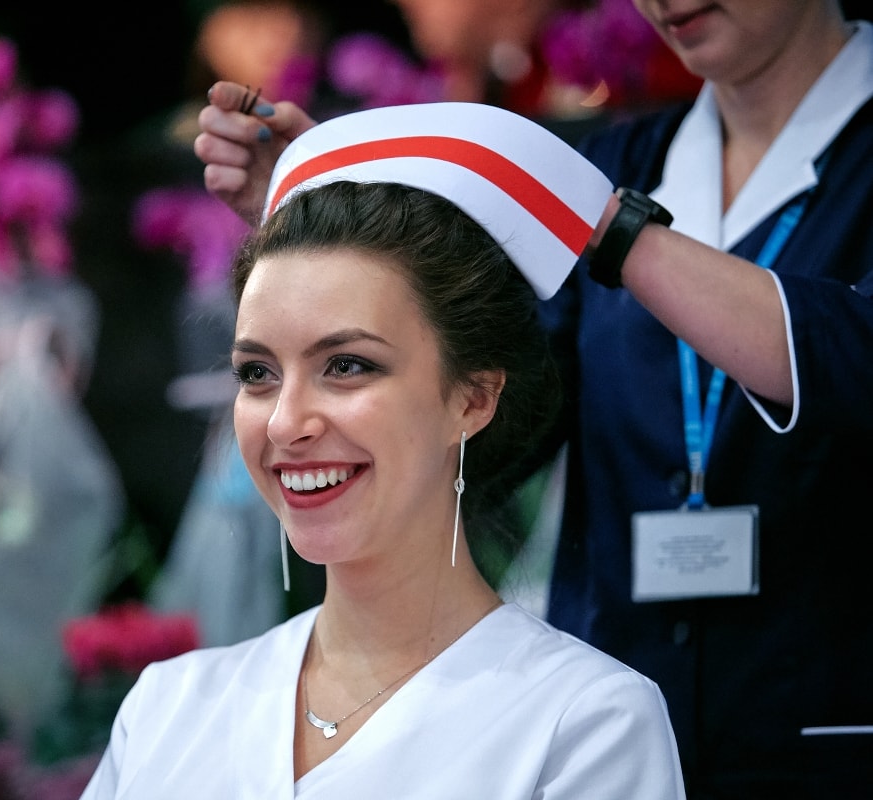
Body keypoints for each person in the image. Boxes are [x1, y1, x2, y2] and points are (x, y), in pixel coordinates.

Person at [193, 0, 873, 795]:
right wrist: (338, 245)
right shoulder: (623, 158)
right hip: (601, 713)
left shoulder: (600, 195)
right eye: (257, 375)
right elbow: (489, 399)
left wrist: (602, 222)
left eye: (339, 369)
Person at [80, 101, 685, 798]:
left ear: (473, 398)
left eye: (346, 366)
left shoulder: (584, 724)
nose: (285, 423)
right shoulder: (167, 710)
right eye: (258, 373)